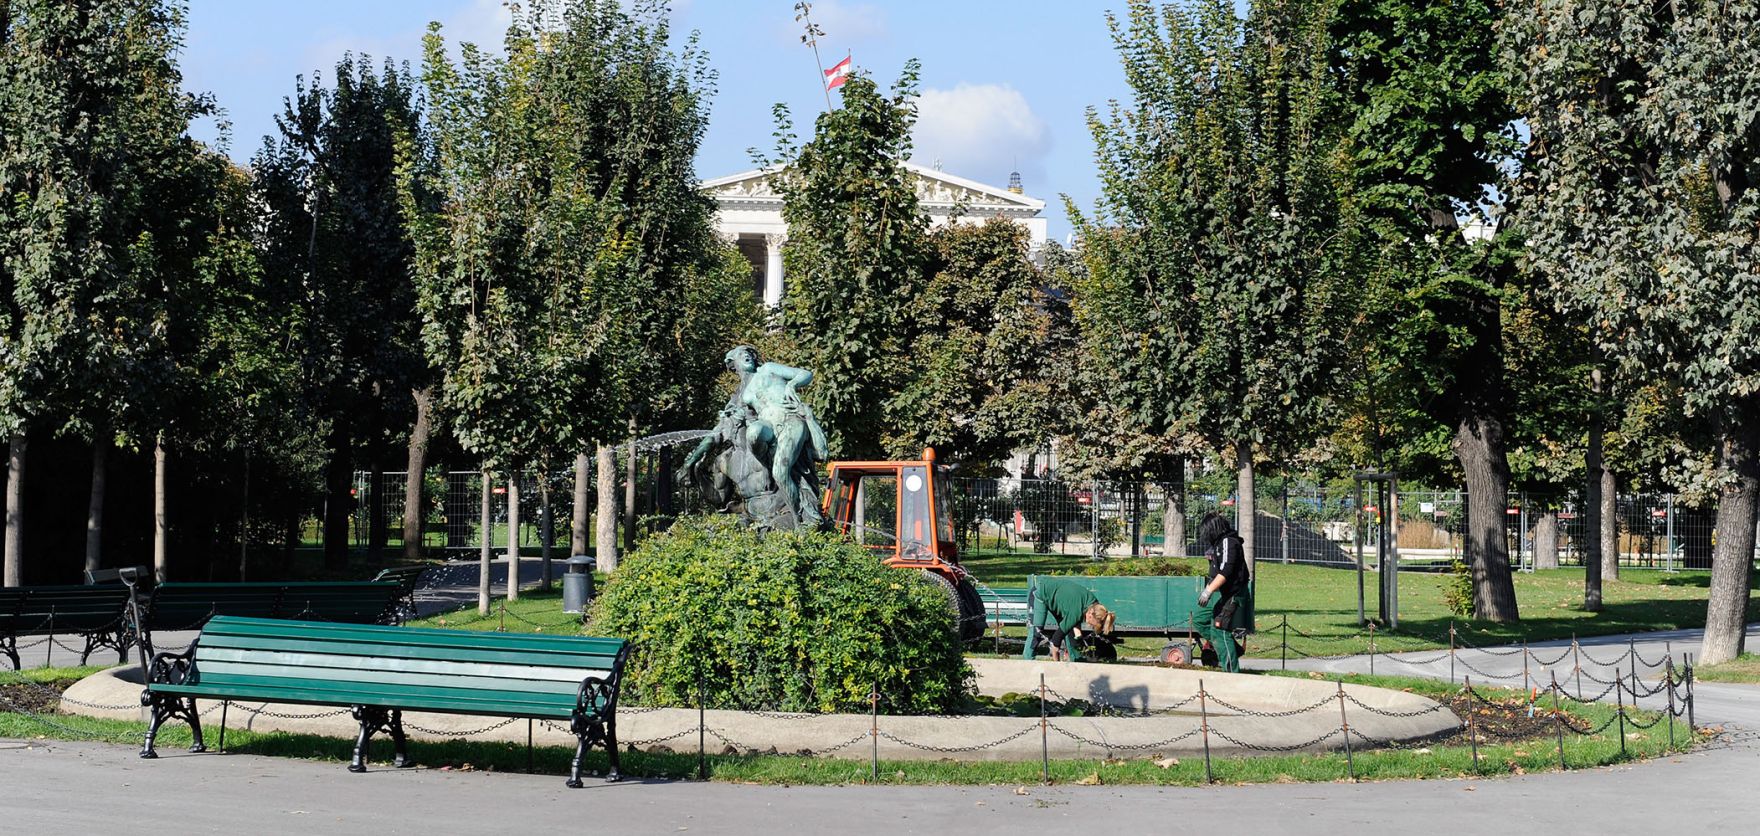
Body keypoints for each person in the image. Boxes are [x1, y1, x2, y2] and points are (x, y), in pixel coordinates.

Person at [1196, 512, 1251, 672]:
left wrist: (1208, 591)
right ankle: (1233, 649)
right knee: (1199, 620)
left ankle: (1231, 672)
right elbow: (1216, 573)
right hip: (1225, 594)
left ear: (1214, 528)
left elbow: (1226, 571)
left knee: (1220, 629)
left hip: (1235, 593)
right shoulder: (1218, 545)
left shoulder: (1228, 542)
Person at [1022, 576, 1116, 662]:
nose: (1090, 625)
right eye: (1092, 624)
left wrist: (1079, 639)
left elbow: (1074, 627)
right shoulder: (1077, 612)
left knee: (1070, 632)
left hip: (1058, 600)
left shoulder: (1094, 605)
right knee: (1037, 630)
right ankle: (1027, 662)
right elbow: (1056, 639)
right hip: (1040, 593)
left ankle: (1077, 661)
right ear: (1091, 614)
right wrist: (1057, 663)